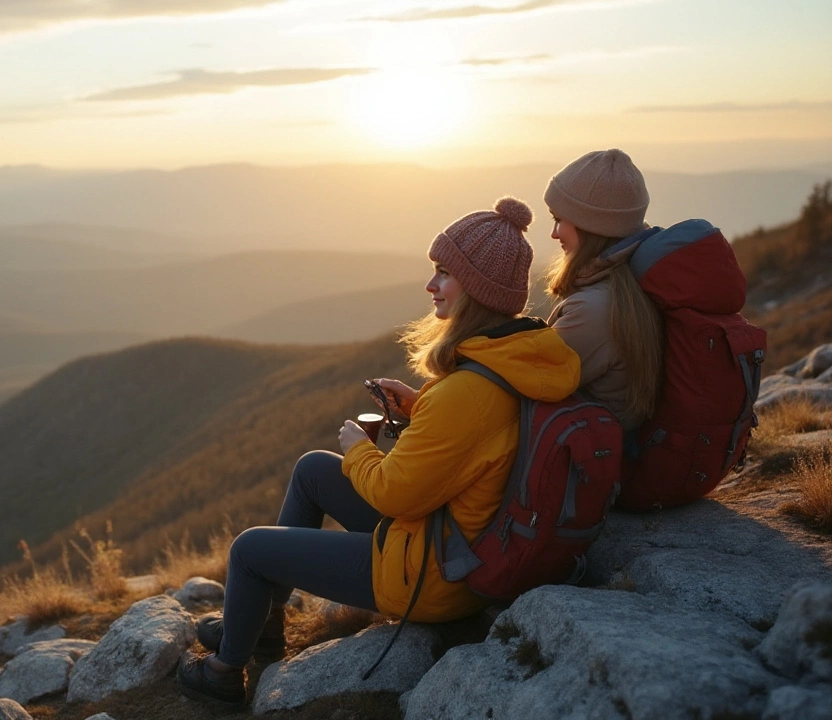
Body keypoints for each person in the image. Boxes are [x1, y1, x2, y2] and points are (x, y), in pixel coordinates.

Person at [176, 197, 581, 706]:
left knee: (250, 549)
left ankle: (223, 672)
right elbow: (471, 446)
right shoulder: (514, 359)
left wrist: (358, 451)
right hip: (455, 539)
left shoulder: (468, 391)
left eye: (444, 274)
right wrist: (419, 412)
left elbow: (396, 497)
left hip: (433, 575)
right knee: (311, 471)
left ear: (477, 291)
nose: (431, 285)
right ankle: (261, 628)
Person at [542, 148, 663, 431]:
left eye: (558, 220)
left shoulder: (593, 310)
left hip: (593, 466)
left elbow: (529, 382)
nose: (554, 233)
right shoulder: (625, 288)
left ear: (590, 226)